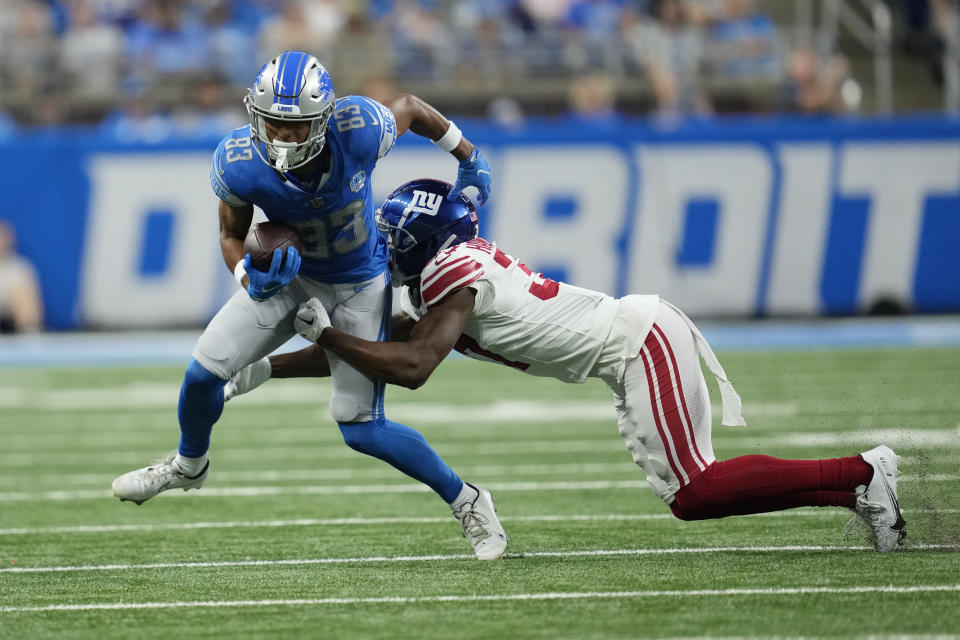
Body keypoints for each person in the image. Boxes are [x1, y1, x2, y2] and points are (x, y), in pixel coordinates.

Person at [226, 178, 908, 553]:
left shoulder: (453, 280)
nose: (383, 246)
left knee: (694, 491)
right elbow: (388, 349)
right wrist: (268, 369)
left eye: (391, 237)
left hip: (640, 343)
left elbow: (411, 366)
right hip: (632, 348)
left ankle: (862, 473)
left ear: (416, 244)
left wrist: (333, 336)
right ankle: (860, 488)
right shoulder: (449, 275)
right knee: (692, 495)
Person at [112, 51, 507, 561]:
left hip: (360, 281)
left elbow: (410, 107)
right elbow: (231, 234)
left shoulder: (358, 128)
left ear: (323, 119)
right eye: (272, 122)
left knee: (360, 426)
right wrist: (246, 275)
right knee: (201, 373)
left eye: (295, 127)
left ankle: (468, 499)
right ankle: (189, 466)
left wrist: (467, 155)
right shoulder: (237, 160)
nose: (281, 136)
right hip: (291, 278)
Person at [0, 220, 44, 333]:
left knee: (21, 293)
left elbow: (29, 312)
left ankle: (28, 338)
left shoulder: (18, 269)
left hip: (10, 326)